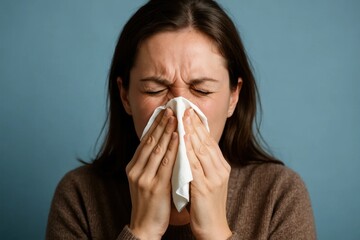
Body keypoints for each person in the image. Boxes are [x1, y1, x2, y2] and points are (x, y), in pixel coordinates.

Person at [46, 0, 316, 239]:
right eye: (155, 90)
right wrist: (142, 231)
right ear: (125, 96)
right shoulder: (80, 195)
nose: (178, 110)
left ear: (233, 97)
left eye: (202, 90)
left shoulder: (280, 195)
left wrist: (215, 232)